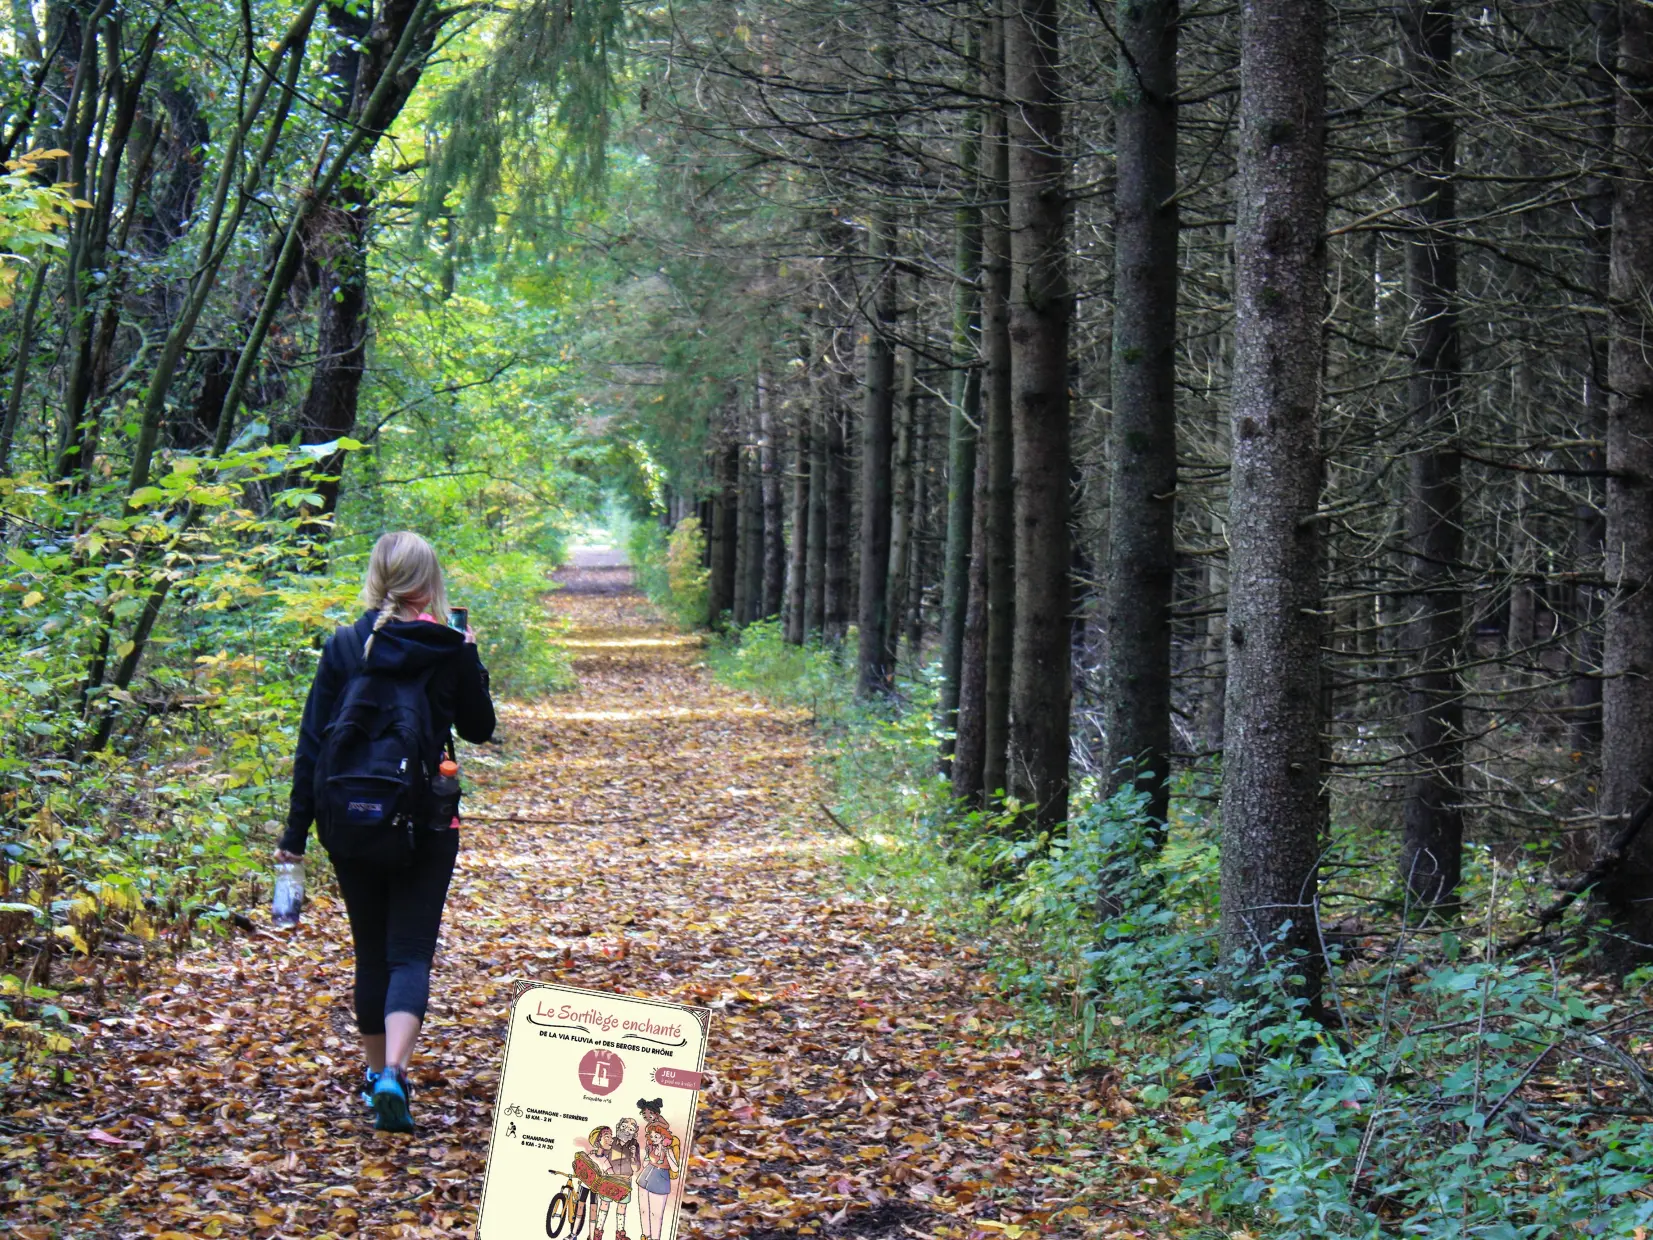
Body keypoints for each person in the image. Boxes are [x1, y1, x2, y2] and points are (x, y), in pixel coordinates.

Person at [277, 531, 495, 1132]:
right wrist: (469, 656)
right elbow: (479, 729)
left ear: (377, 577)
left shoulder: (346, 645)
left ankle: (376, 1078)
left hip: (350, 822)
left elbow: (314, 744)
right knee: (409, 952)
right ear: (430, 581)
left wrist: (296, 833)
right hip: (428, 818)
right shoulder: (445, 645)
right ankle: (397, 1070)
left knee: (370, 952)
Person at [636, 1119, 680, 1240]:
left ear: (663, 1136)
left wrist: (667, 1154)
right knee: (644, 1210)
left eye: (657, 1136)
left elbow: (675, 1168)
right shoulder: (650, 1148)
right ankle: (645, 1235)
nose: (654, 1138)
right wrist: (645, 1156)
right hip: (645, 1177)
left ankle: (655, 1238)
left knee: (656, 1214)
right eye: (652, 1136)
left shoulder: (669, 1150)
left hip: (660, 1179)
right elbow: (645, 1164)